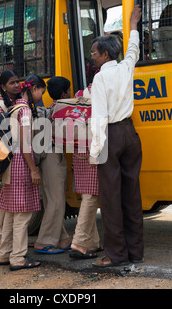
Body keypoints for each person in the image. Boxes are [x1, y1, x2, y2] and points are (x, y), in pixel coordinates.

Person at [89, 5, 144, 268]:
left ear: (105, 54)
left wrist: (95, 152)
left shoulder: (100, 79)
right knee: (132, 195)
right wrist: (133, 26)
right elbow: (133, 49)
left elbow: (98, 118)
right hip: (130, 134)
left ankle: (116, 255)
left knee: (111, 199)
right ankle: (136, 252)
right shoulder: (125, 68)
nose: (92, 57)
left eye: (94, 53)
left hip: (110, 137)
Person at [0, 75, 45, 271]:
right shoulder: (24, 110)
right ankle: (18, 258)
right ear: (32, 89)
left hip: (9, 163)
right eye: (41, 92)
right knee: (22, 215)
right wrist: (33, 169)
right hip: (21, 164)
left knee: (10, 213)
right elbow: (25, 144)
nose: (41, 96)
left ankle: (4, 254)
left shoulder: (13, 107)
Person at [34, 76, 72, 254]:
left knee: (52, 198)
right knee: (56, 200)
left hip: (48, 156)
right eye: (69, 91)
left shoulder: (50, 109)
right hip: (51, 156)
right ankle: (44, 241)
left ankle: (63, 238)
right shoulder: (61, 109)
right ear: (64, 93)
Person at [0, 70, 22, 260]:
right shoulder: (1, 107)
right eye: (12, 83)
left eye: (17, 82)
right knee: (2, 208)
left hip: (7, 160)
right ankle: (3, 247)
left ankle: (4, 249)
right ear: (3, 87)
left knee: (6, 207)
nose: (16, 85)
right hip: (2, 163)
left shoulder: (14, 103)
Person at [69, 70, 102, 260]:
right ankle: (79, 242)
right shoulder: (99, 96)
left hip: (78, 152)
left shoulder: (78, 96)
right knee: (91, 197)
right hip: (94, 150)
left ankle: (92, 243)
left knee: (87, 194)